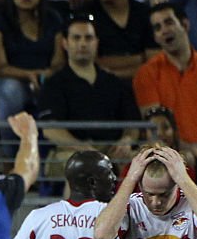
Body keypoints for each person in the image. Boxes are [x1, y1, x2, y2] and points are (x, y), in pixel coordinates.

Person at [37, 15, 141, 171]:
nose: (83, 43)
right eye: (76, 38)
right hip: (70, 152)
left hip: (112, 151)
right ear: (65, 43)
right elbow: (51, 130)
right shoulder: (54, 84)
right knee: (86, 166)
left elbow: (132, 125)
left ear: (96, 42)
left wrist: (126, 141)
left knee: (151, 163)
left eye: (88, 38)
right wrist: (84, 149)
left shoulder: (114, 82)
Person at [133, 2, 197, 158]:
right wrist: (188, 151)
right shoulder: (146, 74)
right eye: (157, 27)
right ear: (155, 37)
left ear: (185, 24)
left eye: (169, 22)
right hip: (170, 154)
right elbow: (156, 129)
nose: (164, 30)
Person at [0, 0, 64, 147]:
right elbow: (0, 68)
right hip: (7, 81)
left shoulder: (52, 18)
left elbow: (59, 61)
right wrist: (30, 75)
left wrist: (46, 75)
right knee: (11, 91)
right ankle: (10, 159)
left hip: (45, 79)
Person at [81, 0, 156, 80]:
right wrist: (138, 59)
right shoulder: (86, 15)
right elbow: (89, 63)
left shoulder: (145, 13)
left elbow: (154, 63)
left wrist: (113, 70)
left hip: (144, 82)